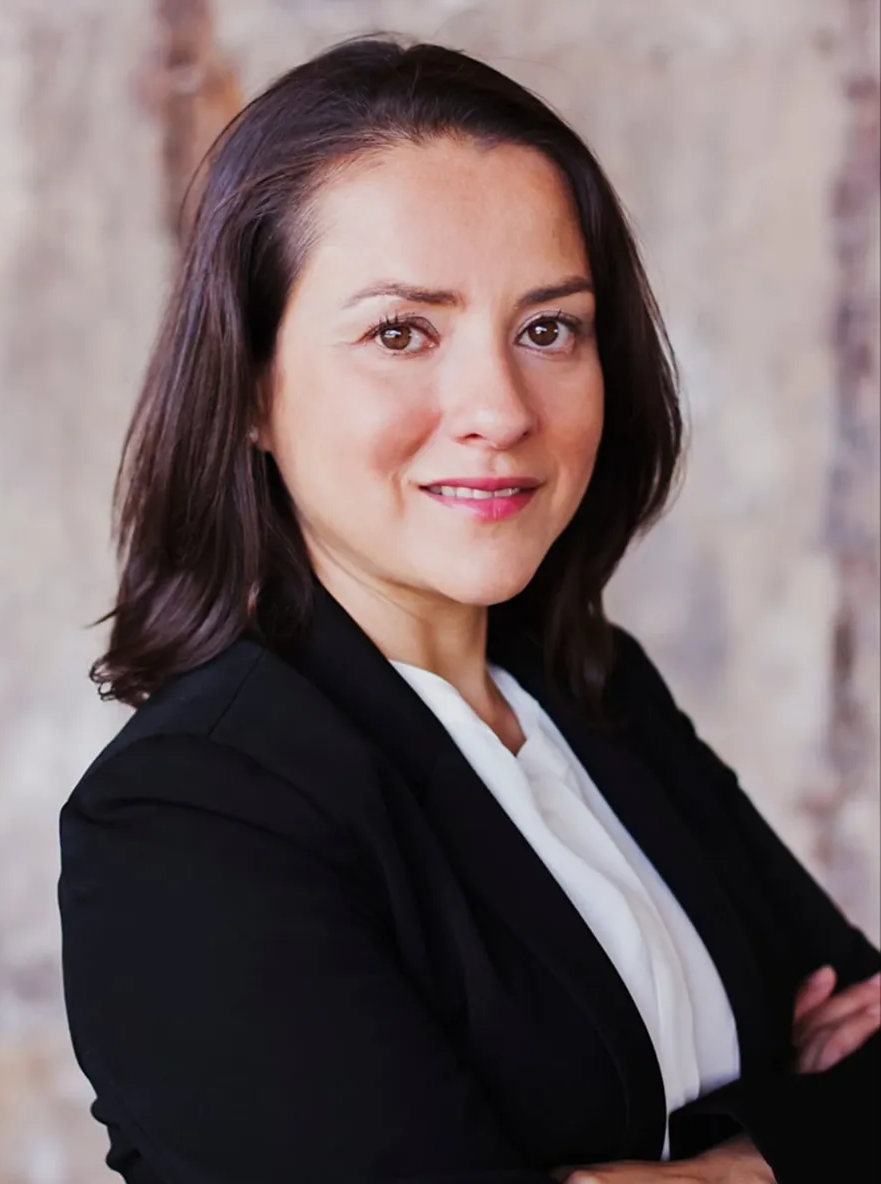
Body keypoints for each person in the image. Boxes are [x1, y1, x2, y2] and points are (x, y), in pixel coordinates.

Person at [58, 36, 880, 1184]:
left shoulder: (592, 685)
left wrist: (737, 1166)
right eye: (402, 332)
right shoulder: (194, 814)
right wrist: (794, 1135)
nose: (497, 407)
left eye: (548, 327)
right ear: (250, 386)